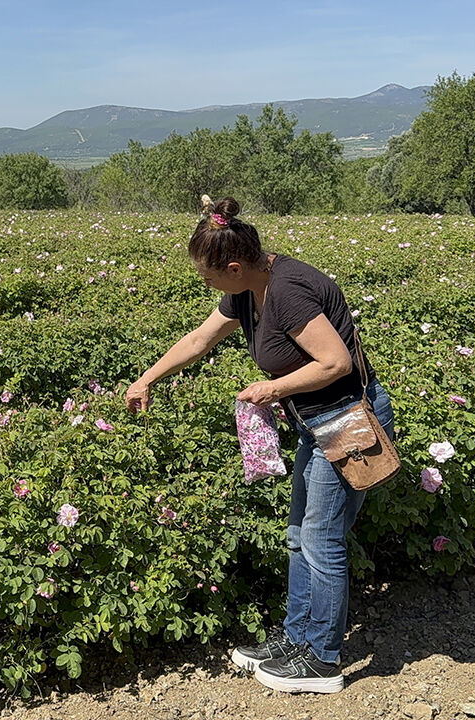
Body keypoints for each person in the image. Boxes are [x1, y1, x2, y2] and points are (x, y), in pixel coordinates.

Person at [124, 198, 395, 695]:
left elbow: (335, 363)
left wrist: (273, 388)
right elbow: (199, 340)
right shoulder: (249, 289)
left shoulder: (288, 291)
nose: (204, 283)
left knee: (321, 539)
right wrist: (147, 379)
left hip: (347, 420)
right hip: (315, 420)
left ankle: (323, 660)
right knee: (299, 535)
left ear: (234, 266)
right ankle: (296, 639)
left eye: (208, 275)